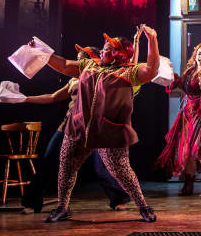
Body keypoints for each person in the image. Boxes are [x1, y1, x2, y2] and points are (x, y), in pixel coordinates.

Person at [39, 24, 160, 223]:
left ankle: (143, 206)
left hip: (109, 131)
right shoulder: (89, 66)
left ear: (121, 54)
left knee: (121, 170)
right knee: (66, 165)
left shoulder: (129, 72)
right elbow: (62, 65)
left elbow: (151, 69)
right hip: (79, 127)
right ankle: (62, 207)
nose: (104, 49)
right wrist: (41, 52)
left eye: (110, 48)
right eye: (104, 46)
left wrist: (152, 41)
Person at [17, 46, 130, 214]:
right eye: (77, 60)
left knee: (103, 166)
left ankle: (119, 198)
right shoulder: (73, 80)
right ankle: (33, 202)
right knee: (49, 159)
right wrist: (25, 99)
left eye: (80, 60)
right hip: (69, 125)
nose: (77, 63)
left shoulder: (100, 75)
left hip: (95, 126)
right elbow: (53, 97)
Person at [155, 42, 201, 198]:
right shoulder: (191, 71)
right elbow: (179, 83)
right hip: (187, 113)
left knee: (199, 148)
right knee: (186, 148)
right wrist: (167, 76)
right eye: (199, 53)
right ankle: (189, 183)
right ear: (195, 55)